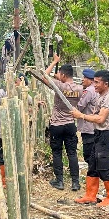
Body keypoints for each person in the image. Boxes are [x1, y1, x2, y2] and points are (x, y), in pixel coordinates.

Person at [71, 70, 109, 206]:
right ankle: (90, 195)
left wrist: (81, 116)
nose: (94, 84)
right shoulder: (99, 95)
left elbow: (100, 118)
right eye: (94, 81)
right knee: (92, 164)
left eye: (97, 82)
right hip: (97, 134)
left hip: (106, 134)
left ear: (106, 83)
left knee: (103, 165)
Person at [43, 56, 82, 191]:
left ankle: (59, 181)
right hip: (70, 124)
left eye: (59, 73)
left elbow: (44, 76)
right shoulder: (79, 89)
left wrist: (54, 62)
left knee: (57, 153)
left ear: (64, 75)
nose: (58, 75)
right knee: (72, 153)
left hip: (57, 125)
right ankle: (75, 183)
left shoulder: (59, 85)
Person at [77, 68, 98, 175]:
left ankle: (93, 176)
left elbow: (80, 106)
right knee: (94, 153)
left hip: (88, 127)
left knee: (88, 154)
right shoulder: (97, 90)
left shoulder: (89, 90)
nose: (82, 80)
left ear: (90, 80)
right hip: (96, 126)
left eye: (84, 78)